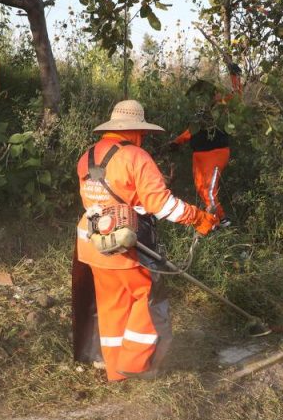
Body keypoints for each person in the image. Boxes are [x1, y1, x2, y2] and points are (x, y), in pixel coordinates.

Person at [74, 99, 218, 382]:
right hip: (128, 245)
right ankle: (136, 365)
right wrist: (198, 218)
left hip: (94, 243)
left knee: (112, 305)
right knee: (149, 300)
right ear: (136, 131)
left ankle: (116, 371)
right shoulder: (136, 157)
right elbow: (162, 206)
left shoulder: (87, 155)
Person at [168, 64, 243, 227]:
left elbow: (237, 95)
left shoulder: (222, 107)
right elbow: (190, 131)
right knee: (201, 188)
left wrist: (234, 75)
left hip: (215, 153)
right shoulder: (200, 113)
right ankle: (215, 221)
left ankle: (222, 220)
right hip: (199, 156)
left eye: (208, 94)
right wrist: (177, 142)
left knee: (209, 189)